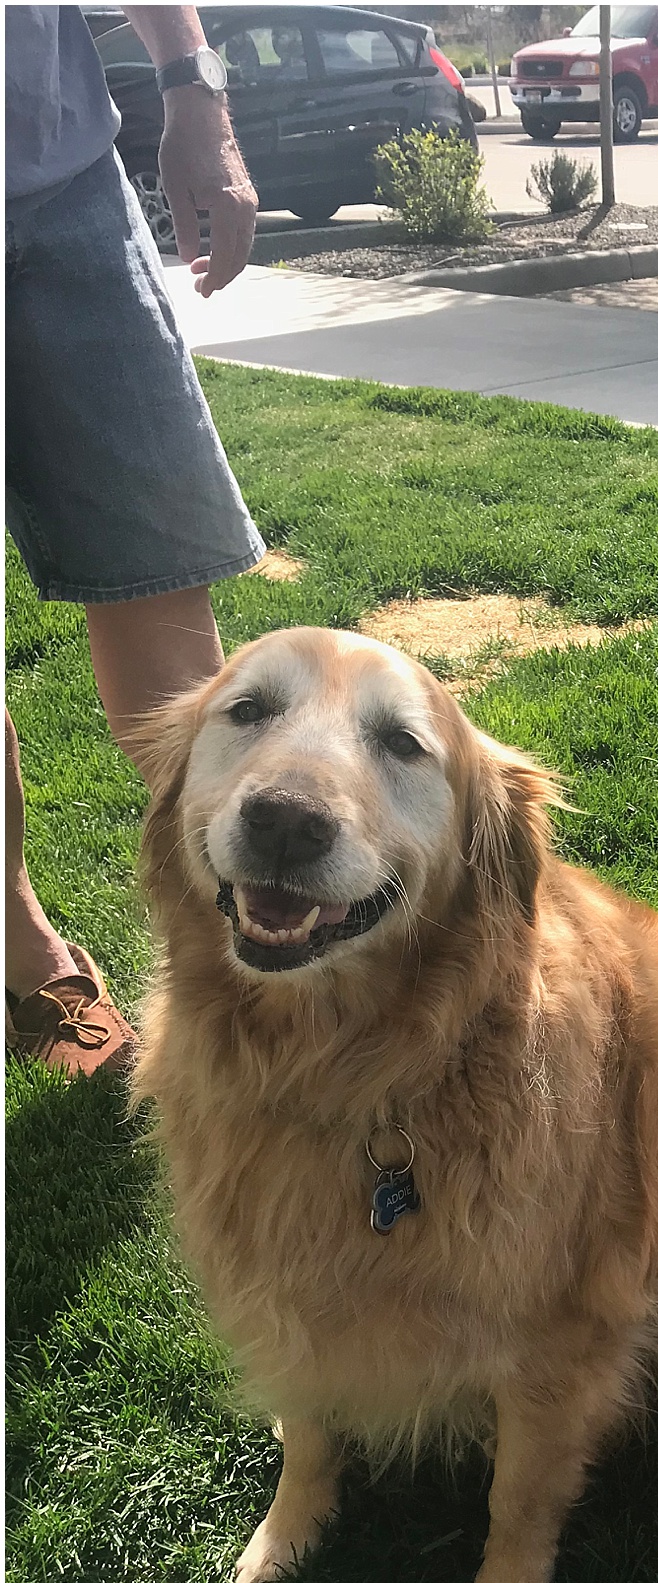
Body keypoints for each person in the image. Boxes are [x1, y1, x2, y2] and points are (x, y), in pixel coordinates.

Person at [5, 4, 263, 1077]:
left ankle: (240, 971)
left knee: (165, 599)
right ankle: (21, 951)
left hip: (63, 177)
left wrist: (192, 82)